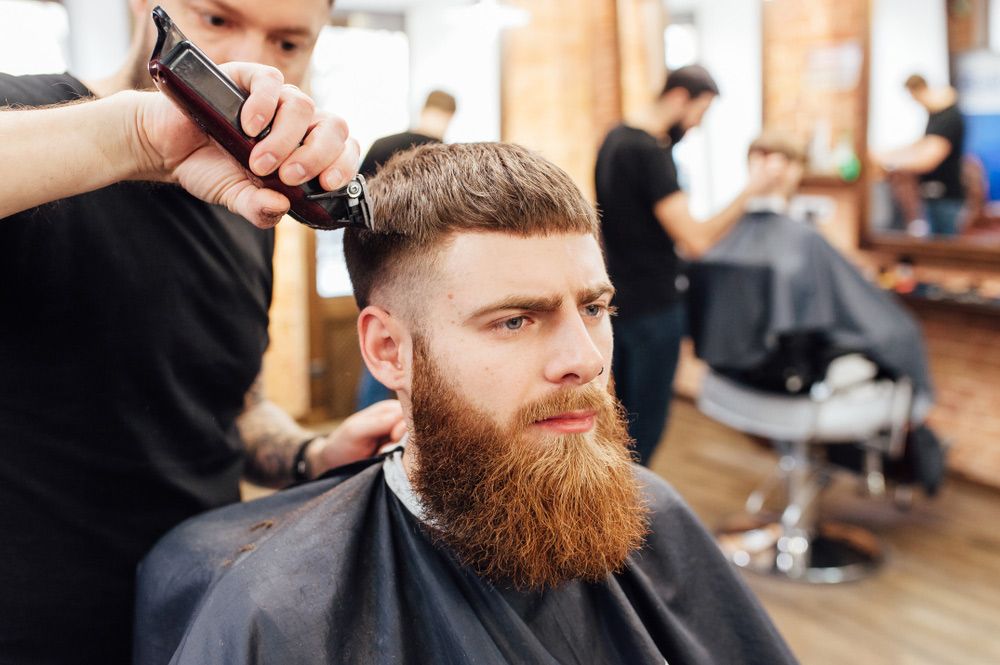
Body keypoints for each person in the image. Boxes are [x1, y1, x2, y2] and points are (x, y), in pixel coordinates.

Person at [134, 142, 798, 665]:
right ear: (390, 351)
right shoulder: (274, 615)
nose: (587, 358)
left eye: (594, 307)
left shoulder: (660, 519)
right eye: (515, 320)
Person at [0, 1, 404, 662]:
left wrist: (311, 455)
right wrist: (133, 138)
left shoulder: (248, 206)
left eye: (287, 41)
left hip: (194, 612)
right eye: (216, 19)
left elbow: (235, 409)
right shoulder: (28, 122)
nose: (249, 61)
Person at [688, 131, 942, 491]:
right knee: (902, 332)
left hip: (730, 383)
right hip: (795, 390)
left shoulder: (721, 241)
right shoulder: (804, 240)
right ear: (793, 173)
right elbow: (887, 329)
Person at [595, 64, 778, 466]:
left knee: (618, 422)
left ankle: (613, 516)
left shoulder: (613, 139)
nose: (696, 125)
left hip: (618, 303)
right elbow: (695, 239)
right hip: (654, 308)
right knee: (644, 429)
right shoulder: (649, 151)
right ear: (679, 97)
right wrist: (752, 188)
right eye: (700, 112)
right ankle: (633, 523)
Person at [354, 89, 457, 409]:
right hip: (429, 272)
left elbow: (352, 207)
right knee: (426, 352)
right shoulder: (447, 155)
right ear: (449, 116)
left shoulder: (382, 146)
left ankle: (372, 421)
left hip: (376, 267)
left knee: (382, 347)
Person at [873, 74, 966, 236]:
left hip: (946, 197)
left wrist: (892, 163)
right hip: (930, 195)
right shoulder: (934, 115)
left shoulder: (948, 117)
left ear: (915, 91)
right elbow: (921, 145)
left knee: (943, 252)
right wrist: (884, 154)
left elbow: (928, 160)